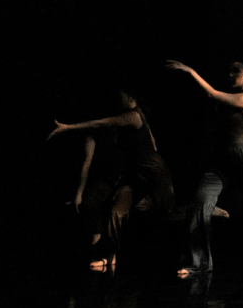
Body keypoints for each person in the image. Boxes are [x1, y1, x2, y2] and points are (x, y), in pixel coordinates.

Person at [167, 59, 243, 277]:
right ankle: (200, 263)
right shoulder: (230, 99)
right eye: (230, 71)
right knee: (200, 203)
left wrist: (190, 70)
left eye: (236, 71)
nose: (231, 75)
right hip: (221, 160)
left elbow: (212, 94)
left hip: (242, 155)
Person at [49, 86, 176, 225]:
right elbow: (152, 141)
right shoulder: (135, 115)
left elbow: (100, 123)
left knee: (159, 217)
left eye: (120, 97)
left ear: (131, 97)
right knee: (116, 213)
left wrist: (67, 127)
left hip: (153, 173)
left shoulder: (133, 116)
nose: (117, 100)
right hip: (137, 174)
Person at [65, 126, 129, 272]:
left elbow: (85, 165)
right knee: (95, 208)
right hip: (112, 176)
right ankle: (101, 253)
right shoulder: (104, 135)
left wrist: (79, 192)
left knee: (90, 205)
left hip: (111, 178)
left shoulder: (93, 137)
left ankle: (99, 252)